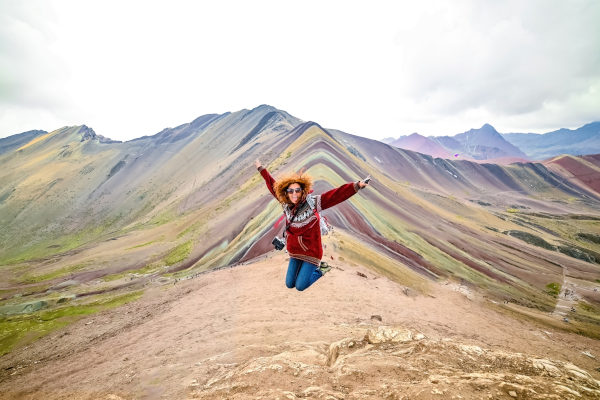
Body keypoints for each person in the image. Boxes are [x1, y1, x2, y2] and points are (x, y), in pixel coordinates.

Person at [254, 159, 369, 291]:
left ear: (303, 190)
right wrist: (261, 169)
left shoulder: (314, 203)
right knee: (289, 284)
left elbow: (336, 195)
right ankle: (304, 272)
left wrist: (357, 186)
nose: (294, 194)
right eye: (290, 191)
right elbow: (272, 185)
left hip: (311, 252)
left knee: (300, 286)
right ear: (286, 192)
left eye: (297, 190)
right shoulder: (286, 205)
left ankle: (322, 270)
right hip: (295, 251)